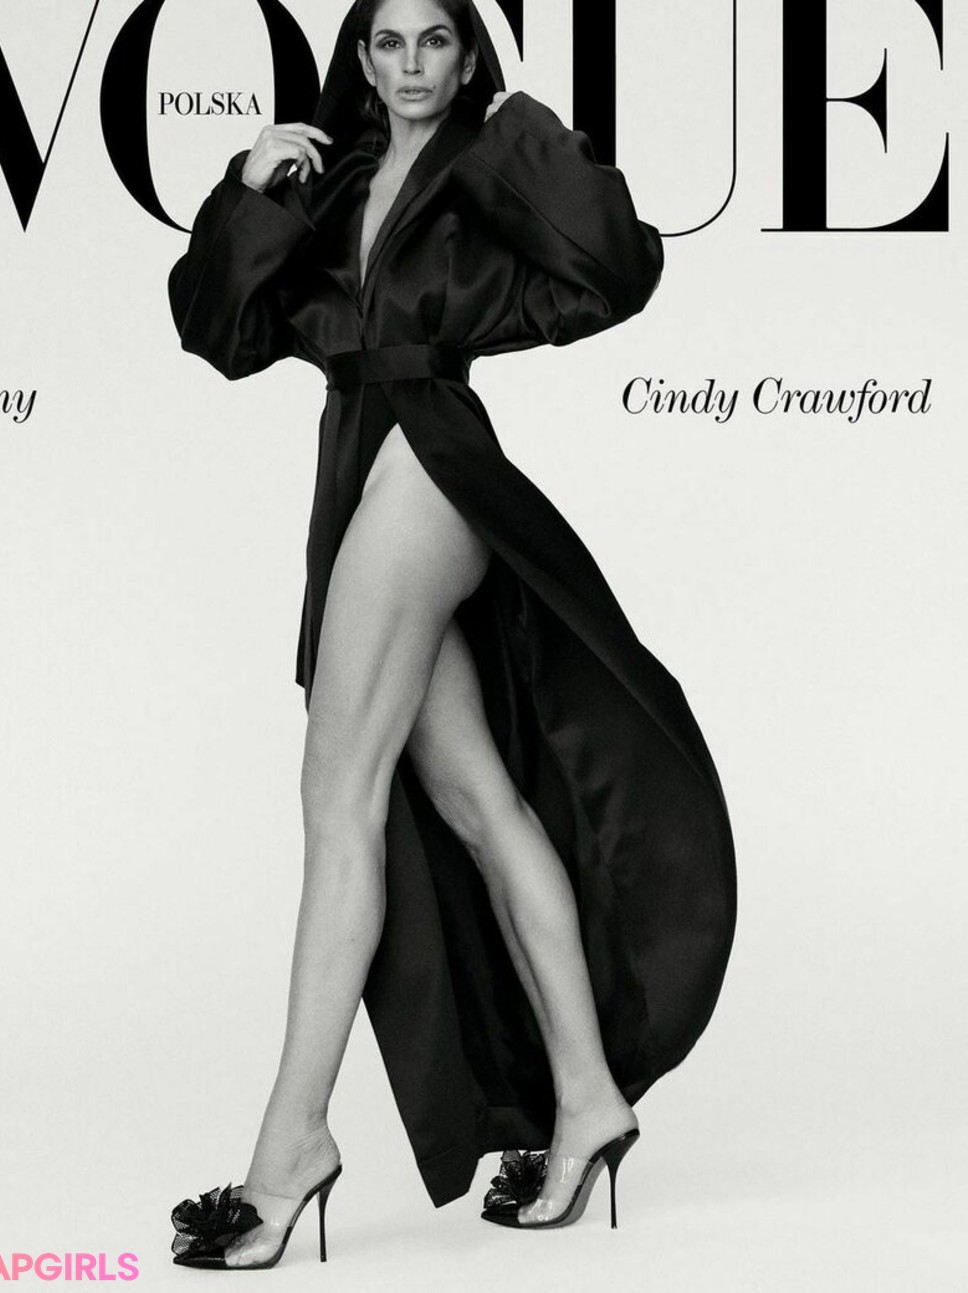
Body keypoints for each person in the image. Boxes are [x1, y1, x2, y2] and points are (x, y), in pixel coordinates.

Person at [167, 0, 736, 1270]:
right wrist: (248, 192)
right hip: (355, 466)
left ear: (469, 54)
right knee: (476, 799)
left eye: (435, 41)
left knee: (337, 799)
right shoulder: (331, 177)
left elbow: (616, 271)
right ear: (361, 59)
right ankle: (586, 1100)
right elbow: (219, 332)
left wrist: (521, 132)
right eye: (388, 43)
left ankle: (289, 1147)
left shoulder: (489, 163)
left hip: (430, 461)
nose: (411, 64)